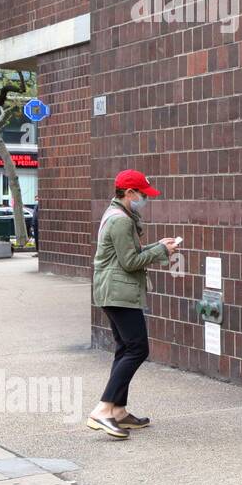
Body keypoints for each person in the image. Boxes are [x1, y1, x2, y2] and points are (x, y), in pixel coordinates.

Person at [86, 170, 178, 439]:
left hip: (113, 291)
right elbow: (130, 263)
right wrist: (162, 252)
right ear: (128, 194)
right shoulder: (121, 221)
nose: (144, 199)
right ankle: (103, 410)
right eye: (141, 194)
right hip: (118, 293)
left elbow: (127, 254)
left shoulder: (118, 215)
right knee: (137, 348)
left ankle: (118, 411)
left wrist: (157, 245)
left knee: (125, 348)